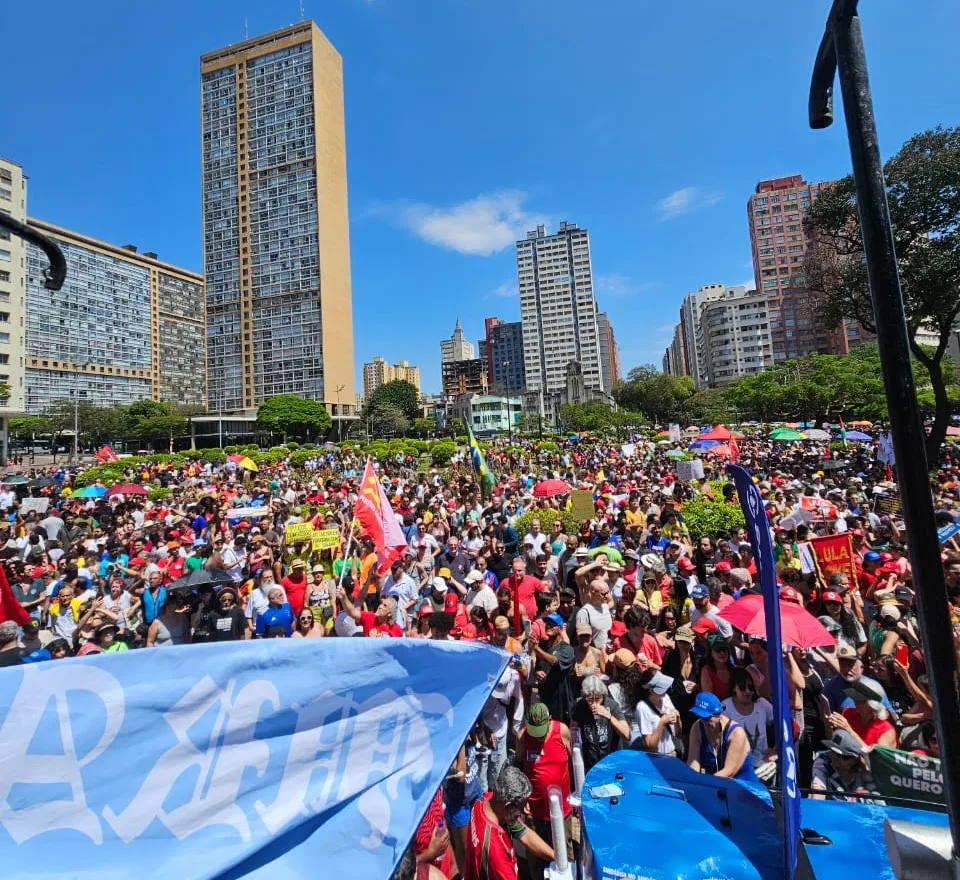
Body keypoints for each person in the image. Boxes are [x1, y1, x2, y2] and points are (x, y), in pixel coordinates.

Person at [462, 766, 554, 880]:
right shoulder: (496, 851)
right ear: (508, 806)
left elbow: (524, 833)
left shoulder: (488, 800)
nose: (527, 809)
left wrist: (556, 857)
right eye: (522, 807)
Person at [516, 704, 572, 877]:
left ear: (549, 720)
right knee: (536, 860)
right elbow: (518, 765)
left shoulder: (562, 731)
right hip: (534, 811)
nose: (537, 737)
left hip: (561, 810)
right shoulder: (523, 736)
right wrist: (522, 798)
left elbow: (573, 761)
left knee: (565, 856)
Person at [686, 692, 758, 783]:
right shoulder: (697, 727)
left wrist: (706, 783)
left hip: (742, 785)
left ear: (719, 715)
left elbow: (728, 772)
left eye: (708, 718)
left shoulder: (736, 733)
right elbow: (693, 764)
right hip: (714, 783)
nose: (705, 722)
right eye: (701, 717)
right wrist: (692, 780)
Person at [721, 668, 776, 783]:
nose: (747, 691)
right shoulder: (725, 708)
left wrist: (776, 750)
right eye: (742, 687)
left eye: (750, 687)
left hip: (763, 768)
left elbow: (785, 727)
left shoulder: (762, 704)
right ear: (734, 688)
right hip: (737, 770)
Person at [571, 674, 631, 770]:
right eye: (590, 700)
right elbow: (573, 728)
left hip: (612, 762)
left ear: (603, 696)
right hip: (591, 764)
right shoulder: (579, 706)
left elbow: (627, 735)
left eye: (598, 699)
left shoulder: (612, 705)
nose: (594, 704)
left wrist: (609, 716)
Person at [811, 729, 879, 802]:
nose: (835, 757)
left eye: (843, 756)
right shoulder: (822, 760)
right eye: (833, 751)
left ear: (855, 759)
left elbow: (876, 797)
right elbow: (818, 790)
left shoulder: (865, 769)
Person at [530, 612, 575, 723]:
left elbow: (554, 661)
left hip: (561, 703)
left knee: (560, 730)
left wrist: (536, 648)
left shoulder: (567, 649)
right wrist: (537, 672)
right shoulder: (542, 645)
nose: (548, 626)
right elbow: (538, 665)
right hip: (544, 698)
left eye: (552, 624)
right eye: (547, 623)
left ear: (560, 629)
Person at [635, 670, 680, 757]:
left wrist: (677, 719)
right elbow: (649, 745)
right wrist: (662, 723)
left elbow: (678, 734)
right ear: (651, 691)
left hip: (673, 754)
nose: (665, 690)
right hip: (657, 757)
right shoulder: (642, 708)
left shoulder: (665, 697)